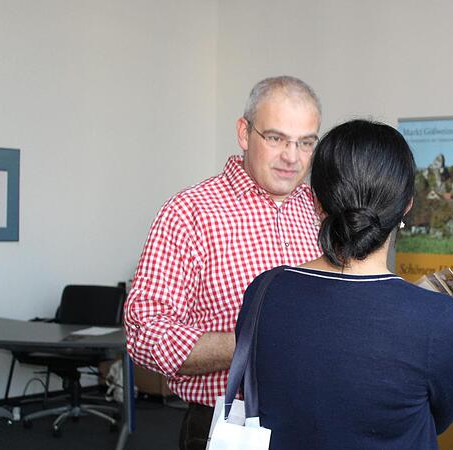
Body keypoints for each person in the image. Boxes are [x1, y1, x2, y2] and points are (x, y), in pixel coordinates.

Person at [235, 119, 453, 450]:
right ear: (406, 205)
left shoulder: (264, 290)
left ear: (316, 202)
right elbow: (441, 417)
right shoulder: (440, 318)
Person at [123, 76, 323, 450]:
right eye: (276, 138)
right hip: (226, 427)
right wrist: (250, 342)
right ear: (244, 133)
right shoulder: (189, 213)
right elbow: (145, 334)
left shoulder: (321, 211)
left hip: (314, 423)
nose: (292, 157)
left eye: (306, 143)